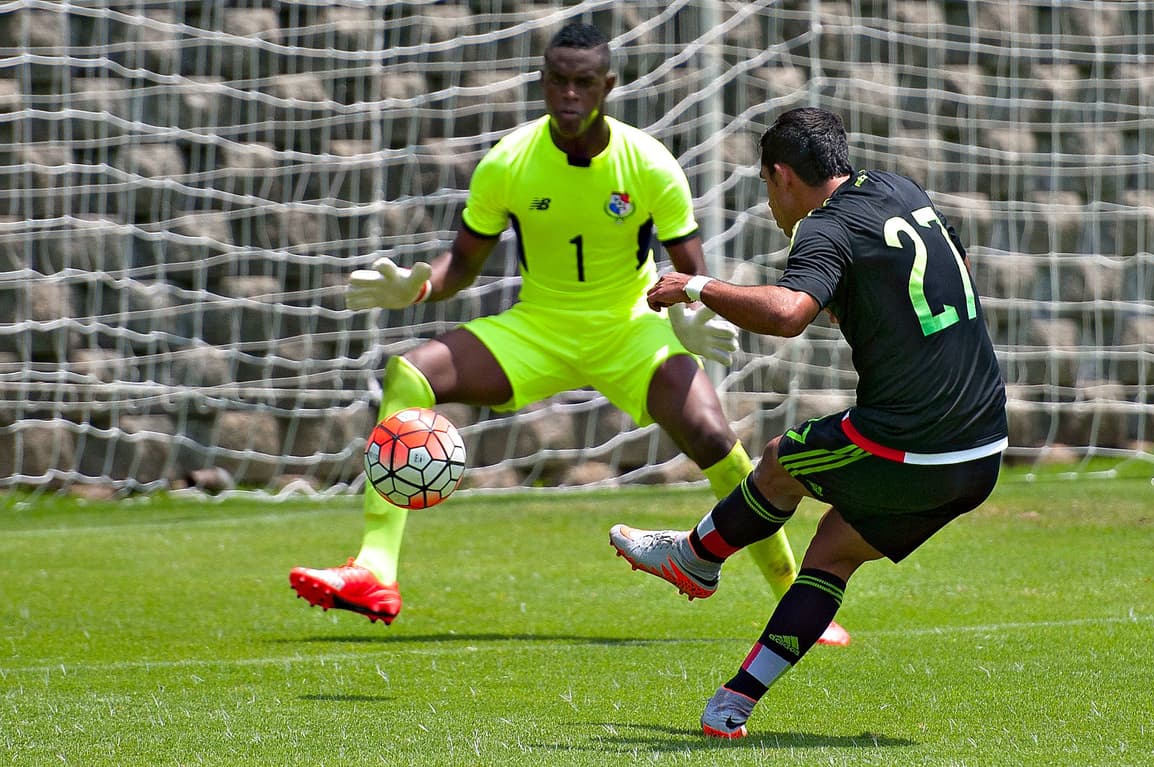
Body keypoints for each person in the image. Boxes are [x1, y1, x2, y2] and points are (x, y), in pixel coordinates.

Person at [289, 23, 848, 646]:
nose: (570, 94)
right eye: (558, 80)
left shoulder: (648, 163)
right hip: (539, 328)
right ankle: (374, 569)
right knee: (410, 373)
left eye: (584, 82)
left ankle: (797, 600)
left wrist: (692, 317)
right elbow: (460, 267)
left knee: (715, 434)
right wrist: (418, 288)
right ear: (543, 81)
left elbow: (693, 272)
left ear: (607, 86)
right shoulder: (509, 161)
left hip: (630, 329)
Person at [610, 106, 1008, 738]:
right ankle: (732, 703)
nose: (770, 201)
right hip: (983, 451)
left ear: (782, 175)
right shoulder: (898, 190)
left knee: (781, 460)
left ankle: (696, 557)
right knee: (833, 551)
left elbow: (790, 312)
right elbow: (936, 263)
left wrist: (696, 287)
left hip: (913, 443)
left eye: (766, 186)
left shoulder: (824, 228)